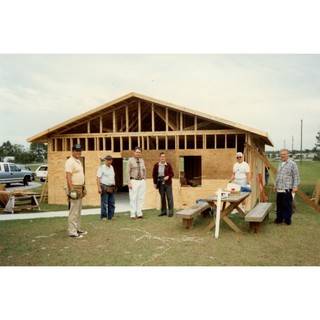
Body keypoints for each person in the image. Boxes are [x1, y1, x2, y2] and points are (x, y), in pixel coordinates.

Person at [65, 144, 87, 238]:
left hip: (80, 187)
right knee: (73, 210)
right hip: (74, 188)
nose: (79, 152)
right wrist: (71, 189)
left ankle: (77, 229)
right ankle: (72, 232)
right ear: (72, 151)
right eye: (77, 150)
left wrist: (83, 186)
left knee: (78, 210)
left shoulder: (78, 161)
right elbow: (68, 176)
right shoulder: (70, 161)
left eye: (80, 150)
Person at [274, 149, 300, 225]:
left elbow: (296, 176)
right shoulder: (280, 164)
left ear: (287, 155)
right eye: (281, 154)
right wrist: (275, 185)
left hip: (287, 188)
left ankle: (287, 220)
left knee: (287, 205)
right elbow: (278, 176)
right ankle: (279, 219)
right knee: (279, 205)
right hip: (279, 188)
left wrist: (295, 187)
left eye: (284, 154)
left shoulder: (292, 164)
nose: (282, 156)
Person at [152, 152, 174, 217]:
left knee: (169, 197)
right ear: (159, 157)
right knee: (162, 197)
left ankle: (170, 211)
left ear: (165, 158)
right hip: (160, 182)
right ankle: (163, 211)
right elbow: (154, 175)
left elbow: (172, 173)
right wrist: (155, 183)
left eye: (164, 157)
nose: (162, 158)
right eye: (161, 157)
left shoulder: (168, 165)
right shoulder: (156, 165)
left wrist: (168, 176)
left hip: (168, 183)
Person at [127, 147, 146, 219]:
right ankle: (132, 214)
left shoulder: (142, 160)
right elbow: (127, 172)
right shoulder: (130, 160)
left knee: (140, 198)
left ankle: (139, 213)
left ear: (141, 153)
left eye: (139, 152)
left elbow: (144, 170)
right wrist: (129, 182)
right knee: (133, 198)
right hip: (134, 181)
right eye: (137, 152)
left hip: (141, 181)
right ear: (134, 152)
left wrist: (144, 178)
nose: (138, 153)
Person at [96, 155, 116, 221]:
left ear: (111, 160)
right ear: (105, 160)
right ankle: (103, 216)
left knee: (112, 203)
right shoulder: (101, 167)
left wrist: (114, 183)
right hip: (104, 187)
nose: (109, 161)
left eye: (110, 160)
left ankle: (111, 216)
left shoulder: (112, 167)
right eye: (107, 160)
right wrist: (99, 188)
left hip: (111, 187)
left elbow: (113, 177)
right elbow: (98, 178)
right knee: (104, 203)